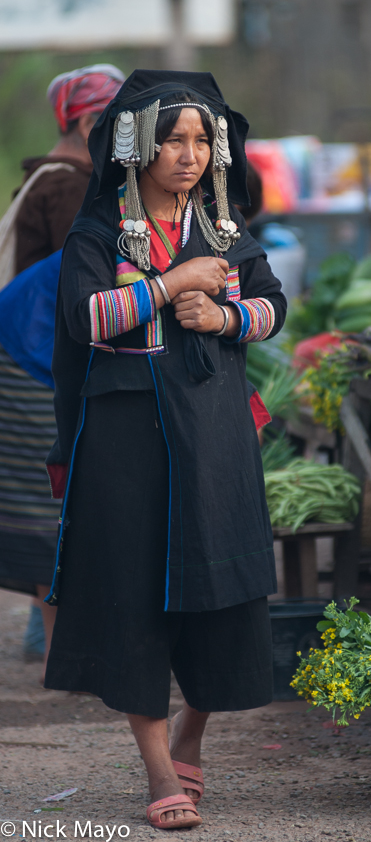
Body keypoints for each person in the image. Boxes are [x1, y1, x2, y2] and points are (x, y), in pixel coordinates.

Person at [43, 70, 287, 830]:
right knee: (136, 598)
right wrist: (171, 283)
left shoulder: (225, 230)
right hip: (128, 442)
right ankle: (157, 772)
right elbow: (88, 318)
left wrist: (224, 319)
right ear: (137, 146)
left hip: (215, 434)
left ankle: (191, 733)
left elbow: (273, 305)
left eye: (201, 139)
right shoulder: (98, 235)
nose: (189, 153)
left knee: (223, 593)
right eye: (173, 139)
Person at [0, 65, 124, 675]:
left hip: (25, 347)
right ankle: (56, 652)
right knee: (51, 497)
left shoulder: (45, 178)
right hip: (31, 355)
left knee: (44, 498)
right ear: (85, 122)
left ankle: (43, 634)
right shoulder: (70, 185)